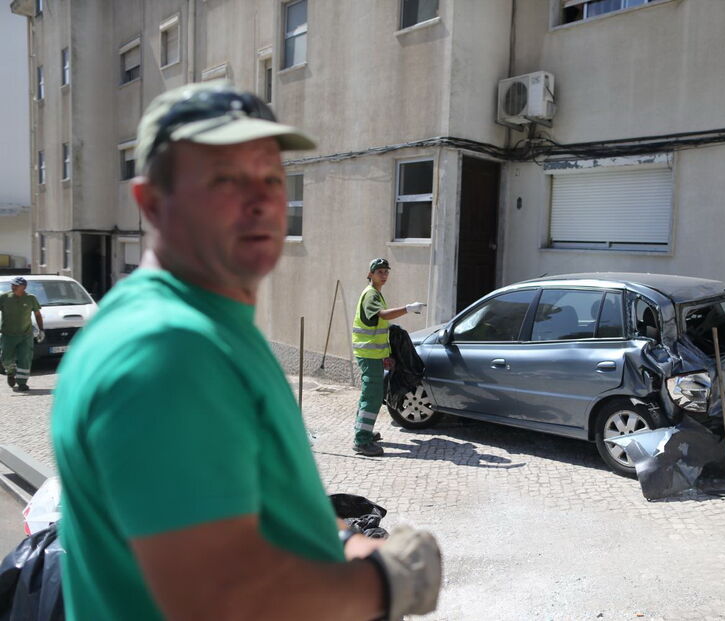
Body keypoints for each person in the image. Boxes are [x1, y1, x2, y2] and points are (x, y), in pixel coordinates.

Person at [51, 81, 441, 621]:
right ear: (152, 202)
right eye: (223, 178)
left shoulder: (209, 326)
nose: (259, 198)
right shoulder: (164, 349)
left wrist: (340, 543)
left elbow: (237, 515)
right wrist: (385, 582)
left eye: (271, 176)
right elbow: (221, 598)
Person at [351, 258, 425, 457]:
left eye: (386, 272)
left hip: (372, 354)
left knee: (369, 394)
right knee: (373, 397)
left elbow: (378, 328)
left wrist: (386, 355)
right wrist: (407, 309)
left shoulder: (376, 294)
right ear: (370, 274)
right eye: (379, 272)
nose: (384, 275)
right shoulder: (371, 296)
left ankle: (363, 430)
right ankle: (361, 441)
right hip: (368, 354)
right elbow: (383, 316)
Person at [0, 276, 44, 392]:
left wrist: (41, 330)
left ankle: (22, 383)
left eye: (16, 285)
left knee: (25, 359)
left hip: (26, 335)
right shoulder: (4, 297)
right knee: (6, 359)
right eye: (12, 285)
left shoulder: (31, 298)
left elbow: (37, 314)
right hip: (8, 335)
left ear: (23, 287)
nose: (13, 287)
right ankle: (10, 372)